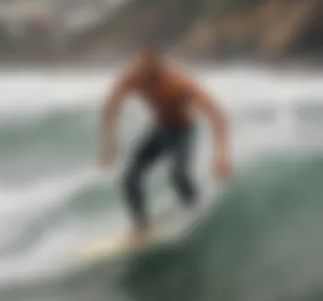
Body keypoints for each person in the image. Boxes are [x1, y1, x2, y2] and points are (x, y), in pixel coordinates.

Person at [99, 44, 231, 241]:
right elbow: (110, 107)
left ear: (158, 67)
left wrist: (220, 153)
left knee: (178, 174)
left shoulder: (177, 82)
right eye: (138, 66)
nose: (139, 72)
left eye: (145, 69)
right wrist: (108, 143)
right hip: (159, 130)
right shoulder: (132, 77)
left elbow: (216, 114)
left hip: (182, 131)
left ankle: (195, 208)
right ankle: (141, 224)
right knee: (130, 178)